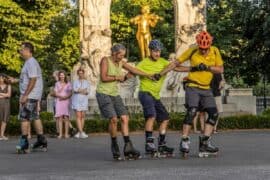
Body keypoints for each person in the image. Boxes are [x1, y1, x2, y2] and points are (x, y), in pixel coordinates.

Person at [96, 43, 152, 160]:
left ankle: (128, 147)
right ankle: (114, 144)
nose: (122, 57)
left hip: (114, 94)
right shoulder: (105, 60)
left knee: (125, 118)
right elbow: (104, 77)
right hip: (103, 93)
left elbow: (134, 70)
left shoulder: (121, 62)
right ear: (114, 53)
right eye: (120, 55)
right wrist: (118, 77)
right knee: (113, 119)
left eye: (123, 55)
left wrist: (148, 75)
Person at [176, 31, 224, 157]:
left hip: (206, 88)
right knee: (192, 111)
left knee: (214, 114)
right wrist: (193, 68)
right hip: (192, 86)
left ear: (210, 45)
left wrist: (207, 67)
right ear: (198, 45)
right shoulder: (192, 50)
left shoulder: (215, 51)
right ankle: (184, 141)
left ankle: (205, 143)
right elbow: (176, 65)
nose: (203, 51)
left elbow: (220, 69)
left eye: (205, 48)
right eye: (201, 48)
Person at [136, 39, 179, 156]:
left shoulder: (163, 62)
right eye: (155, 51)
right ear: (150, 51)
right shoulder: (143, 63)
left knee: (165, 118)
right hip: (145, 93)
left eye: (159, 51)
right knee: (152, 115)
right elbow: (133, 70)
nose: (157, 54)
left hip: (155, 96)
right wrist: (146, 75)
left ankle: (162, 145)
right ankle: (149, 144)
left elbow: (174, 66)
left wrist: (192, 69)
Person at [16, 42, 47, 153]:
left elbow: (33, 79)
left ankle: (24, 144)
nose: (20, 51)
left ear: (28, 50)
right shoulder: (29, 63)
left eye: (21, 49)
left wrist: (25, 95)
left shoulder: (31, 63)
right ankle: (41, 141)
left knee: (24, 117)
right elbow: (27, 79)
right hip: (33, 95)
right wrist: (15, 80)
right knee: (35, 117)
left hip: (30, 95)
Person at [72, 68, 90, 139]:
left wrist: (80, 90)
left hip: (84, 100)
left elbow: (87, 91)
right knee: (78, 116)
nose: (81, 74)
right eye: (79, 73)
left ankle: (80, 132)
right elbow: (75, 90)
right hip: (76, 100)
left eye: (82, 73)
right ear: (77, 74)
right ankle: (81, 132)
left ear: (83, 73)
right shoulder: (75, 82)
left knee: (82, 116)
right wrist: (82, 90)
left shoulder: (87, 82)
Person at [54, 71, 72, 139]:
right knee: (60, 118)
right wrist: (61, 97)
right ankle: (60, 134)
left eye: (63, 75)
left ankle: (66, 134)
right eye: (60, 75)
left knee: (66, 118)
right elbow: (55, 93)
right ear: (59, 76)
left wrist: (65, 97)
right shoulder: (57, 83)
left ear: (65, 76)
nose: (62, 76)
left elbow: (70, 93)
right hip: (59, 101)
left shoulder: (68, 83)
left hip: (66, 101)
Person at [0, 74, 11, 140]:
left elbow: (9, 95)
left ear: (4, 78)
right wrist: (5, 94)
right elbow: (6, 95)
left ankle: (2, 135)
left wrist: (0, 94)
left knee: (4, 119)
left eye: (0, 78)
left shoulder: (8, 85)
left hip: (6, 104)